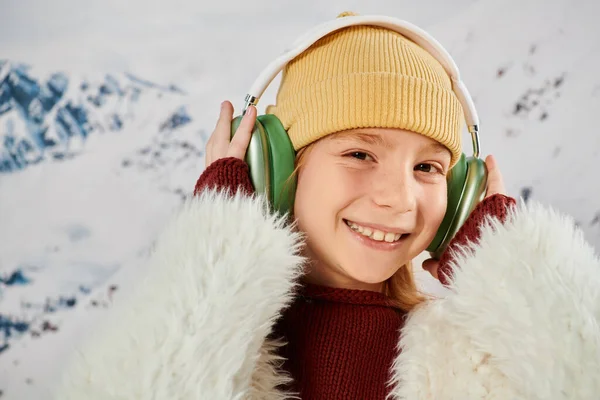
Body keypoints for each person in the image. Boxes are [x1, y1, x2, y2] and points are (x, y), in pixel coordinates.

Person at [56, 12, 599, 400]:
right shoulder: (210, 336)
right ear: (277, 169)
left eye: (428, 168)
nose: (398, 197)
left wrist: (512, 269)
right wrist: (219, 242)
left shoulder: (484, 359)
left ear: (458, 194)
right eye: (360, 153)